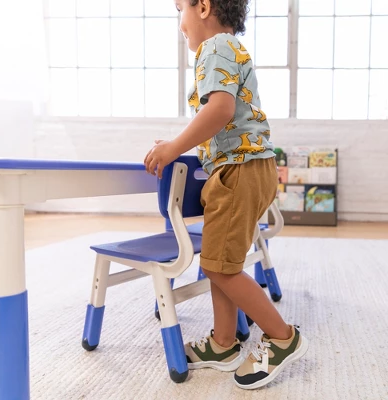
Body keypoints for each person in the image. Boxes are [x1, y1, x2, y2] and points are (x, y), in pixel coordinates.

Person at [144, 0, 308, 390]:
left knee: (220, 267)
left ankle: (282, 337)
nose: (180, 23)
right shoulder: (227, 48)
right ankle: (223, 342)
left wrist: (174, 146)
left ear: (203, 7)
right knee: (221, 260)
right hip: (243, 168)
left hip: (240, 169)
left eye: (180, 9)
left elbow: (220, 109)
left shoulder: (215, 46)